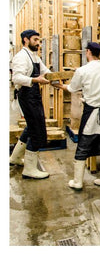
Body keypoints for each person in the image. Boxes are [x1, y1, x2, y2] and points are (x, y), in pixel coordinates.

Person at [53, 42, 100, 190]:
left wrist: (60, 86)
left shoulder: (82, 70)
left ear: (88, 52)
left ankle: (78, 182)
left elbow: (73, 88)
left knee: (83, 145)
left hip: (91, 111)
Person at [9, 29, 51, 179]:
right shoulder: (21, 57)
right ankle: (30, 169)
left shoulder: (34, 56)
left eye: (39, 40)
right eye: (35, 40)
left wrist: (56, 79)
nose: (38, 43)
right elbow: (17, 78)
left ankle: (14, 158)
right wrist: (34, 80)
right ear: (26, 40)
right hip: (27, 96)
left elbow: (45, 71)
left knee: (31, 125)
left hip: (34, 95)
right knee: (37, 130)